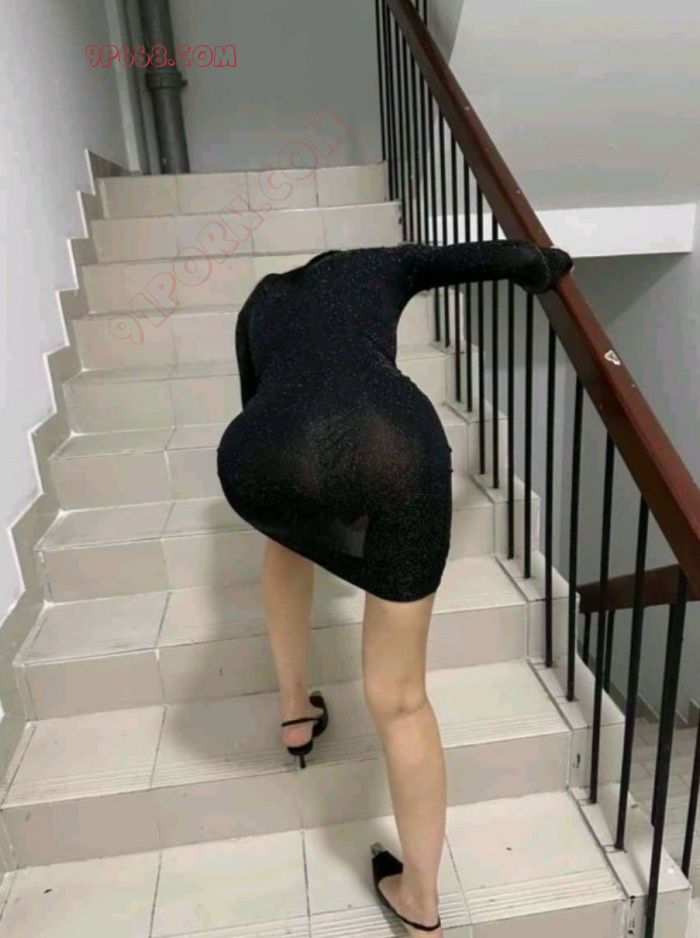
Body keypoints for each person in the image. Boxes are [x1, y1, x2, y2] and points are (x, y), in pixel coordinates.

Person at [217, 239, 574, 935]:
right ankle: (421, 903)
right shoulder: (378, 264)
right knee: (402, 700)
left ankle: (294, 711)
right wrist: (545, 267)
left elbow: (257, 404)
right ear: (340, 260)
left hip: (263, 455)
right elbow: (496, 259)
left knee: (287, 537)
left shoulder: (260, 299)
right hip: (391, 445)